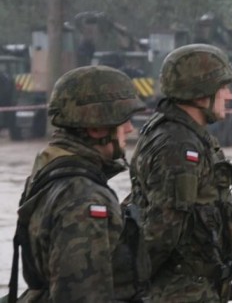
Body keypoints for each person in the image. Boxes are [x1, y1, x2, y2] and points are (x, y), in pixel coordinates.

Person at [9, 65, 148, 303]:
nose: (130, 128)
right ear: (96, 128)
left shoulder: (52, 172)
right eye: (123, 119)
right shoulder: (84, 198)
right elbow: (82, 295)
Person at [129, 44, 232, 302]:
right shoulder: (179, 146)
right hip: (180, 290)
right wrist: (131, 285)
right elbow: (163, 229)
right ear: (202, 94)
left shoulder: (189, 135)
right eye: (224, 88)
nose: (230, 96)